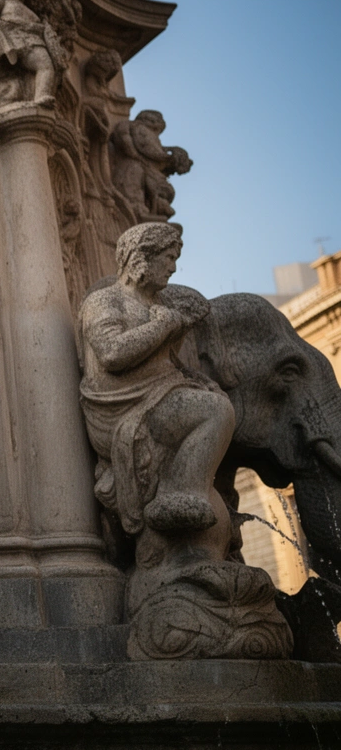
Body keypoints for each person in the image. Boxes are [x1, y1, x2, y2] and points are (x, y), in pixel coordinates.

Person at [78, 222, 233, 536]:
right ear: (141, 258)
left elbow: (165, 363)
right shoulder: (104, 301)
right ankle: (178, 495)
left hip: (156, 395)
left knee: (217, 400)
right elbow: (111, 353)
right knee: (214, 411)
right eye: (168, 257)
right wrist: (164, 326)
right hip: (121, 408)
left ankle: (187, 489)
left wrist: (196, 377)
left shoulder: (158, 306)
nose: (173, 268)